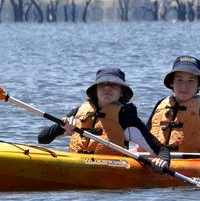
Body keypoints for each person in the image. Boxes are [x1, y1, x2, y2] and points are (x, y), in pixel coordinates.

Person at [38, 67, 171, 172]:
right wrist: (62, 127)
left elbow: (161, 150)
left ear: (121, 92)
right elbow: (42, 138)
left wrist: (163, 160)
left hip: (111, 170)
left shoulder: (127, 118)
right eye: (102, 85)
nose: (107, 88)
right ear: (95, 90)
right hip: (77, 167)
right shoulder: (80, 111)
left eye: (113, 85)